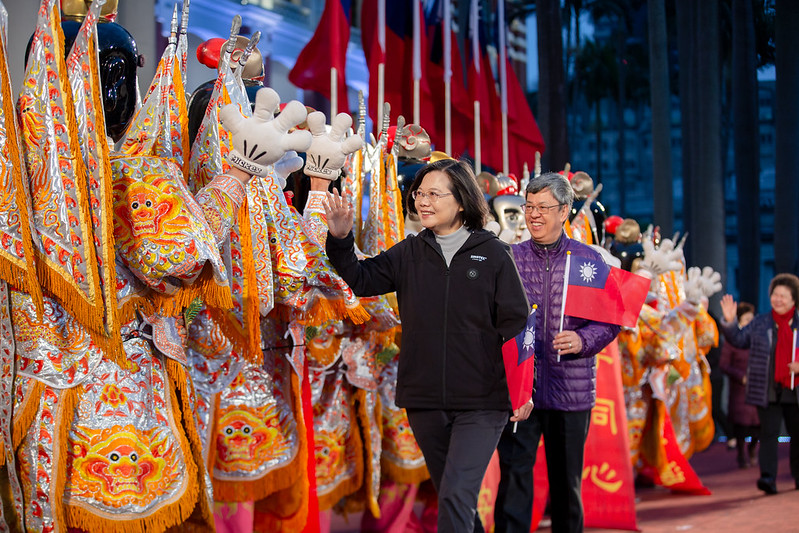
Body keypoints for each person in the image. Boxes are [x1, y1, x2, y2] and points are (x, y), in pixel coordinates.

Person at [324, 158, 531, 532]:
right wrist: (341, 240)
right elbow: (361, 279)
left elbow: (516, 326)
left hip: (483, 401)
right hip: (424, 400)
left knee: (455, 496)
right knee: (455, 498)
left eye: (435, 194)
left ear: (463, 201)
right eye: (420, 193)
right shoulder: (408, 253)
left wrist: (523, 387)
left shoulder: (495, 254)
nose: (423, 202)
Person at [494, 172, 621, 533]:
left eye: (543, 207)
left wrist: (583, 341)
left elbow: (610, 321)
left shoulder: (589, 260)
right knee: (514, 480)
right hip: (520, 391)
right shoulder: (510, 258)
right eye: (528, 206)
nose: (533, 214)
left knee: (567, 487)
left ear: (564, 210)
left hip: (571, 390)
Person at [720, 273, 799, 494]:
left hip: (795, 388)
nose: (778, 299)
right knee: (769, 434)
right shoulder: (760, 323)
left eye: (784, 296)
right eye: (775, 294)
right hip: (769, 388)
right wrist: (730, 322)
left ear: (794, 300)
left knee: (797, 435)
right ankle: (768, 478)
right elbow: (738, 339)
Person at [719, 301, 760, 468]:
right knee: (741, 425)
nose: (750, 322)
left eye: (752, 319)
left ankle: (752, 450)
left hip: (758, 386)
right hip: (740, 388)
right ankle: (741, 454)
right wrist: (740, 376)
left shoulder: (759, 338)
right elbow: (724, 364)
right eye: (746, 319)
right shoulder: (733, 341)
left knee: (759, 424)